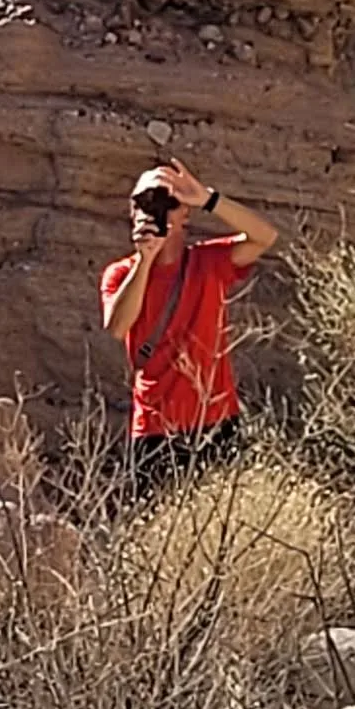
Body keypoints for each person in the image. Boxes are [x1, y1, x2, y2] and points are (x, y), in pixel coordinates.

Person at [97, 159, 279, 480]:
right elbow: (117, 327)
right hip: (155, 429)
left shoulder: (208, 262)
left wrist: (208, 198)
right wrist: (145, 260)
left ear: (184, 214)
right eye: (143, 202)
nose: (153, 211)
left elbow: (265, 237)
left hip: (216, 421)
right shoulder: (122, 273)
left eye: (165, 202)